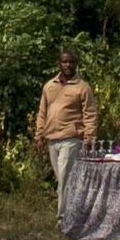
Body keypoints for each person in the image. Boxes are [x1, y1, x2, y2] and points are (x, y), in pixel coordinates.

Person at [33, 50, 97, 191]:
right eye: (65, 62)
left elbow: (90, 114)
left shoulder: (83, 87)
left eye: (71, 62)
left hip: (71, 139)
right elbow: (42, 112)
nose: (68, 65)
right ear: (59, 64)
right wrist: (39, 135)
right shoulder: (49, 86)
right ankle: (72, 210)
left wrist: (89, 138)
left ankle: (63, 214)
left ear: (76, 64)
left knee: (65, 179)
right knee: (62, 179)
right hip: (52, 138)